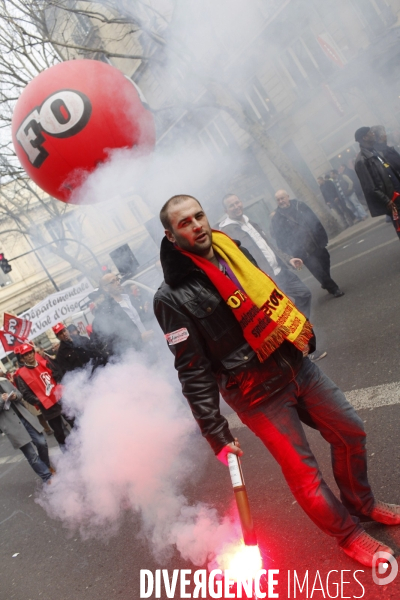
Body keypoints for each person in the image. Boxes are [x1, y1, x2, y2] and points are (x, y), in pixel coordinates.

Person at [153, 193, 400, 568]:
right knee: (305, 475)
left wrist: (298, 329)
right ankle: (347, 535)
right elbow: (192, 369)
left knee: (350, 430)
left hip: (294, 365)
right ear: (171, 236)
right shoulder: (170, 297)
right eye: (184, 223)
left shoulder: (232, 249)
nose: (197, 225)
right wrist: (215, 431)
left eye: (199, 216)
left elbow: (268, 292)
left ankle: (362, 504)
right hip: (256, 394)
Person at [219, 193, 326, 361]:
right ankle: (303, 349)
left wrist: (288, 259)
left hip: (280, 271)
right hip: (263, 280)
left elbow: (268, 246)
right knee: (280, 316)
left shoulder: (250, 221)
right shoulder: (226, 231)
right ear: (226, 210)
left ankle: (299, 337)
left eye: (237, 202)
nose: (236, 206)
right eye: (231, 205)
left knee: (303, 295)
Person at [270, 190, 344, 298]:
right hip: (300, 250)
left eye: (283, 198)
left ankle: (325, 282)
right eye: (278, 200)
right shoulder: (277, 218)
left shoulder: (300, 206)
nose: (281, 201)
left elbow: (314, 220)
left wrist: (322, 237)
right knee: (317, 269)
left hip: (314, 242)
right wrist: (289, 254)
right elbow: (280, 238)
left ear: (288, 197)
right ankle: (334, 289)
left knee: (325, 260)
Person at [15, 343, 74, 452]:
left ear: (33, 352)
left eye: (30, 352)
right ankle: (68, 454)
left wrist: (59, 387)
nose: (29, 356)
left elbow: (58, 375)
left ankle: (83, 444)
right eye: (25, 355)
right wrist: (41, 401)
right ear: (22, 358)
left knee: (74, 422)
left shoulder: (45, 363)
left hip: (61, 400)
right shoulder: (21, 375)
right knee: (59, 432)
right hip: (47, 407)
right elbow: (25, 394)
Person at [0, 374, 52, 483]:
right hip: (11, 425)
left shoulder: (4, 381)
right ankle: (47, 477)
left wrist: (15, 396)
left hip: (25, 417)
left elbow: (19, 394)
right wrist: (1, 400)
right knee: (31, 454)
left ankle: (46, 466)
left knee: (41, 442)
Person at [354, 126, 400, 239]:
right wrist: (387, 201)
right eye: (371, 133)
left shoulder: (375, 151)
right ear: (365, 137)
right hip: (392, 200)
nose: (373, 134)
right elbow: (370, 187)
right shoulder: (362, 160)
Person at [91, 276, 144, 358]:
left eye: (117, 279)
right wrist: (139, 339)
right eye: (113, 281)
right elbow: (112, 343)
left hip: (150, 348)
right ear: (105, 288)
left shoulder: (130, 298)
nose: (118, 282)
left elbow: (142, 321)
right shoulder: (106, 313)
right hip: (134, 357)